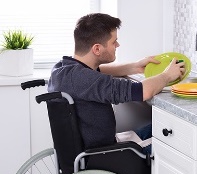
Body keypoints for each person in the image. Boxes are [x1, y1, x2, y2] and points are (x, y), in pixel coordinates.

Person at [48, 13, 185, 154]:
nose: (117, 45)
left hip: (91, 151)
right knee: (178, 141)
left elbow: (100, 71)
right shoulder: (86, 79)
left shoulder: (62, 69)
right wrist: (167, 75)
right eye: (114, 42)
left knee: (157, 127)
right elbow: (143, 91)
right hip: (105, 156)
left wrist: (135, 66)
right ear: (97, 49)